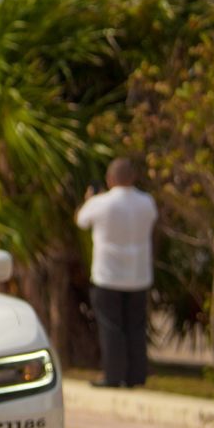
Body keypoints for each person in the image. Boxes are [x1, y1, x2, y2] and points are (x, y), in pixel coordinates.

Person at [76, 157, 157, 388]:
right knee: (136, 327)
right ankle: (136, 376)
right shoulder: (147, 202)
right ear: (133, 177)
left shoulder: (100, 203)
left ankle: (113, 376)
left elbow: (81, 220)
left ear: (110, 179)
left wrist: (88, 200)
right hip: (138, 275)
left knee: (111, 327)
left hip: (108, 275)